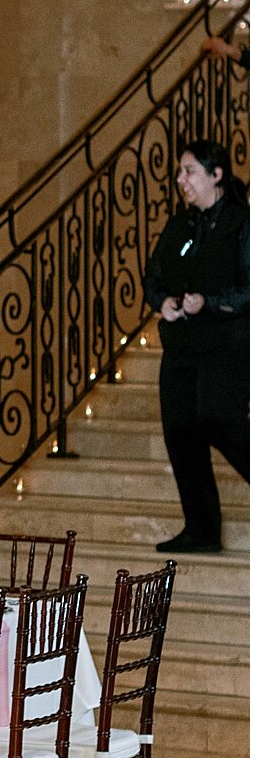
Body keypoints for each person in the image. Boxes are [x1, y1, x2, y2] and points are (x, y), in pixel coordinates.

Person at [143, 139, 250, 552]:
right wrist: (163, 302)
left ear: (216, 175)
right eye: (180, 172)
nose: (180, 180)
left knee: (221, 421)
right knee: (180, 432)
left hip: (226, 344)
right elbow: (153, 276)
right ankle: (201, 530)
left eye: (189, 171)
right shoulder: (180, 225)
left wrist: (211, 301)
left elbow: (248, 288)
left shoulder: (242, 223)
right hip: (182, 348)